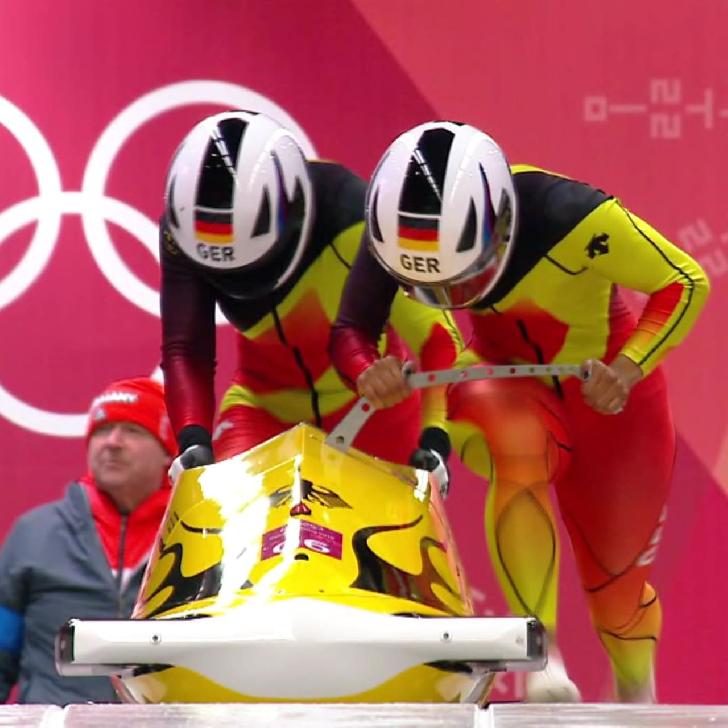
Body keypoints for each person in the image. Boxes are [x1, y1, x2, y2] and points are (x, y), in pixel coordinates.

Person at [329, 121, 710, 703]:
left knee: (619, 597)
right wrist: (366, 370)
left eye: (467, 278)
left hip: (611, 398)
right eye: (427, 288)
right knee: (515, 444)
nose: (454, 300)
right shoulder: (395, 236)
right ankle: (540, 655)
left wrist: (630, 368)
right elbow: (352, 330)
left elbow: (684, 280)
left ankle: (639, 693)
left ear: (500, 225)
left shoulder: (571, 215)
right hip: (504, 383)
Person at [160, 110, 464, 482]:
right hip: (263, 408)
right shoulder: (184, 226)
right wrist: (193, 439)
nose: (242, 276)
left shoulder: (353, 216)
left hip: (373, 409)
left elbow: (437, 335)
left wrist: (434, 440)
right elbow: (186, 348)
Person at [0, 377, 176, 704]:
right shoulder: (34, 533)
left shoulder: (199, 535)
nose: (112, 442)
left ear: (169, 452)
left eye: (133, 431)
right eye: (101, 430)